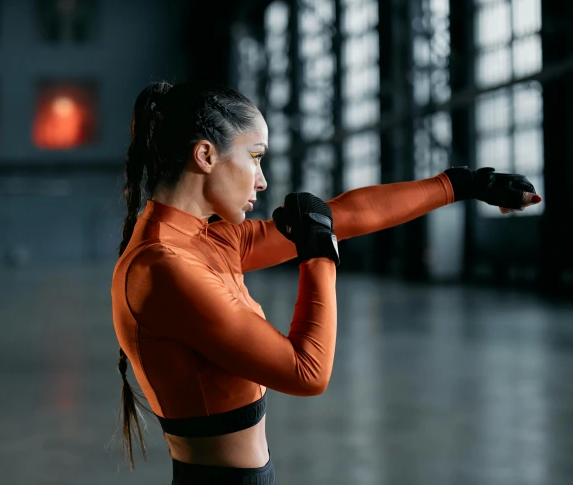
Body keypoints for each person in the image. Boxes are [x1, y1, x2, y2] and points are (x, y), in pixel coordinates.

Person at [111, 81, 540, 485]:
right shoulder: (165, 266)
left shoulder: (204, 240)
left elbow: (344, 215)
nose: (261, 179)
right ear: (205, 156)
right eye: (256, 156)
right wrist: (320, 254)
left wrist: (461, 184)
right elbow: (307, 372)